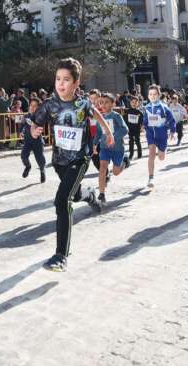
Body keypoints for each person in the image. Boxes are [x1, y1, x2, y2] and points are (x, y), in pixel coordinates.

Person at [30, 57, 115, 272]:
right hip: (59, 161)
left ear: (76, 83)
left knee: (62, 201)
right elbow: (35, 123)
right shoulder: (49, 105)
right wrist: (34, 131)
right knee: (74, 195)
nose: (61, 83)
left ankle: (61, 255)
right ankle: (89, 195)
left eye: (66, 79)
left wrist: (107, 131)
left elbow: (96, 114)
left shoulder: (83, 103)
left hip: (80, 159)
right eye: (58, 78)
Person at [94, 92, 129, 204]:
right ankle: (102, 194)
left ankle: (125, 162)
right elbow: (98, 133)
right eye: (101, 102)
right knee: (102, 168)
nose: (103, 105)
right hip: (104, 148)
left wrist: (113, 137)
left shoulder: (116, 116)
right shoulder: (100, 117)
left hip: (117, 148)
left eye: (106, 102)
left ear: (113, 104)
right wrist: (94, 144)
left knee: (116, 172)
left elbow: (125, 129)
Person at [143, 85, 177, 188]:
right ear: (148, 96)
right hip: (151, 135)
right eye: (150, 94)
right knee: (151, 153)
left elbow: (171, 120)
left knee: (161, 158)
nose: (152, 96)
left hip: (162, 135)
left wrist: (172, 131)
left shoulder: (163, 107)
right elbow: (145, 120)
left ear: (159, 95)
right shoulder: (146, 107)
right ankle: (151, 177)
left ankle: (163, 150)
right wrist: (143, 126)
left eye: (154, 94)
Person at [20, 97, 46, 182]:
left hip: (37, 141)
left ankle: (42, 171)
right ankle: (28, 166)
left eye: (35, 106)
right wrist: (21, 131)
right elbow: (22, 125)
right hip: (28, 140)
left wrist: (33, 122)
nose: (32, 107)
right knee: (23, 156)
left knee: (40, 159)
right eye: (31, 105)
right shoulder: (26, 116)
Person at [124, 95, 144, 162]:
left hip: (137, 129)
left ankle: (139, 154)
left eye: (135, 102)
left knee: (137, 141)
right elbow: (125, 120)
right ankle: (131, 154)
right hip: (130, 129)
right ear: (130, 103)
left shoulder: (139, 112)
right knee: (131, 141)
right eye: (132, 102)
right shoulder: (127, 111)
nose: (134, 104)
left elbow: (141, 121)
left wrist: (141, 127)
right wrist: (125, 127)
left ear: (138, 103)